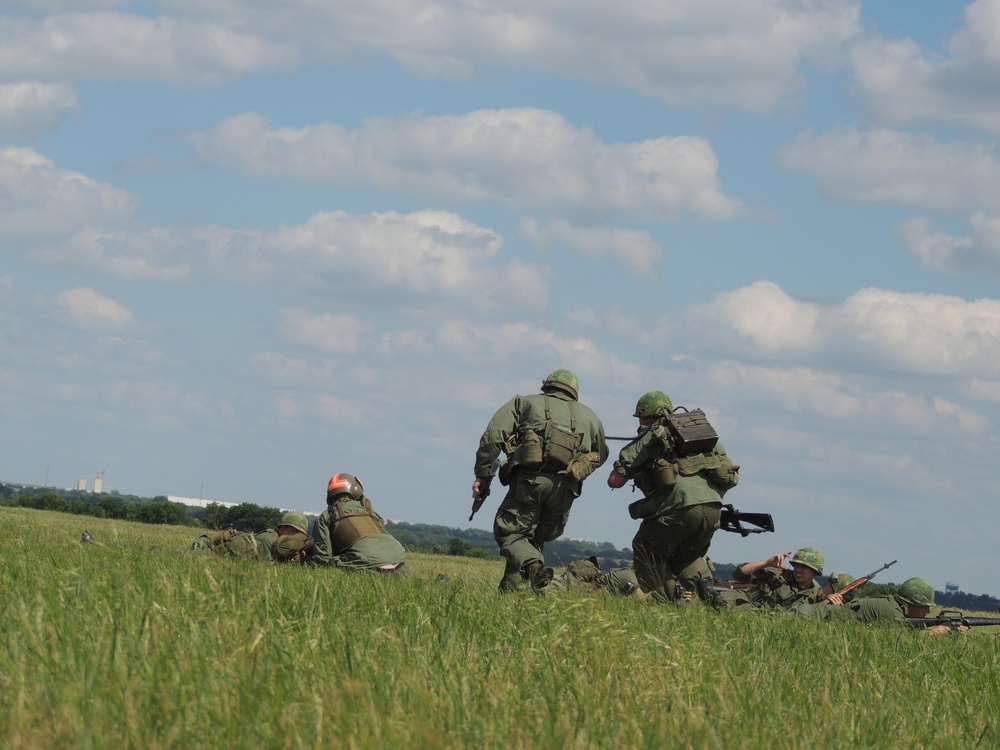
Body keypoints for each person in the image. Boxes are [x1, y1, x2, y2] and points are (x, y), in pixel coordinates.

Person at [472, 369, 608, 592]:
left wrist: (482, 473)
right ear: (573, 392)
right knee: (531, 543)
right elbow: (601, 454)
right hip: (565, 490)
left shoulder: (524, 403)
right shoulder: (591, 417)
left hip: (530, 483)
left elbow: (493, 435)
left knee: (510, 534)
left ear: (546, 387)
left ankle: (535, 568)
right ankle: (511, 595)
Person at [607, 391, 739, 604]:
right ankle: (708, 591)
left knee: (645, 549)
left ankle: (667, 604)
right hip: (713, 508)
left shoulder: (650, 437)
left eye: (640, 417)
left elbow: (615, 481)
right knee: (685, 555)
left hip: (679, 508)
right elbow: (728, 470)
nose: (639, 422)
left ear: (648, 416)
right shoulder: (702, 433)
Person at [797, 577, 967, 636]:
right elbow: (901, 643)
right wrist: (933, 634)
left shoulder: (895, 607)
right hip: (804, 616)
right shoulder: (889, 610)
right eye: (925, 606)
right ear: (911, 604)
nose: (929, 611)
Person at [311, 473, 408, 574]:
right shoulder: (371, 513)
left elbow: (322, 560)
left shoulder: (326, 516)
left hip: (367, 565)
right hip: (399, 564)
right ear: (356, 489)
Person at [189, 511, 313, 564]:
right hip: (223, 555)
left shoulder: (273, 536)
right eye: (295, 532)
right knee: (201, 547)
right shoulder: (271, 541)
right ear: (285, 528)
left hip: (233, 550)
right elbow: (268, 565)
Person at [719, 548, 825, 610]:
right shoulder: (781, 576)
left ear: (815, 572)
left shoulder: (816, 595)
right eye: (796, 565)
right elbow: (739, 574)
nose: (798, 569)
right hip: (749, 606)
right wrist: (767, 563)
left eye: (804, 567)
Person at [534, 556, 643, 597]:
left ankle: (540, 579)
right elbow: (641, 599)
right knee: (544, 591)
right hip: (571, 586)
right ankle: (540, 580)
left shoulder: (627, 574)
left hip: (569, 583)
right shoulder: (630, 576)